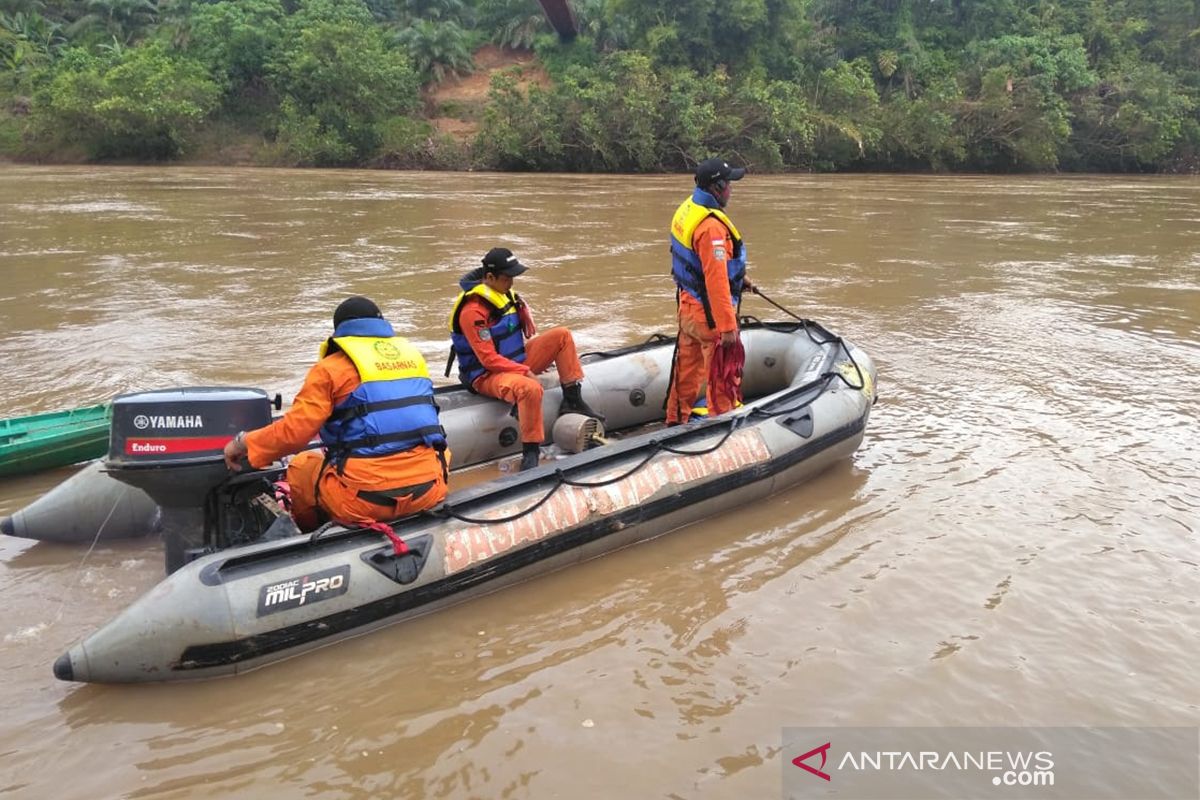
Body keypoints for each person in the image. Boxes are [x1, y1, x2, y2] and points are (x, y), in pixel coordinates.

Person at [222, 296, 450, 532]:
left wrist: (242, 443)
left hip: (364, 502)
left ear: (340, 331)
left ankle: (309, 536)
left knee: (301, 466)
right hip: (430, 489)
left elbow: (294, 434)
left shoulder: (330, 368)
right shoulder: (413, 360)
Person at [448, 247, 603, 472]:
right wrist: (523, 371)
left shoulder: (504, 294)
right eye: (506, 277)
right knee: (530, 388)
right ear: (489, 277)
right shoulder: (472, 311)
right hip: (487, 375)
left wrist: (521, 366)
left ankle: (572, 398)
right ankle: (531, 450)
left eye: (513, 277)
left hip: (515, 361)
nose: (511, 282)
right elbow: (489, 359)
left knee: (562, 336)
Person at [664, 157, 753, 425]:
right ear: (717, 187)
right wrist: (728, 328)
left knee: (685, 374)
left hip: (687, 307)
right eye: (729, 184)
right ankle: (723, 431)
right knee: (722, 377)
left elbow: (699, 265)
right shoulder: (712, 228)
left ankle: (674, 422)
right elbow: (715, 280)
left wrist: (740, 279)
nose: (731, 190)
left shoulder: (688, 209)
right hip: (710, 317)